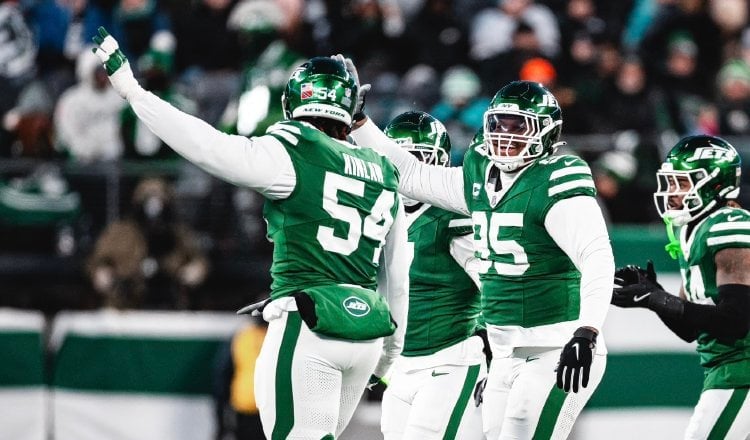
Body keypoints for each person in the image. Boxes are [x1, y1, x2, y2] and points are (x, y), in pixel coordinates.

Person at [91, 27, 409, 439]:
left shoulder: (295, 148)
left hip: (308, 323)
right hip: (365, 332)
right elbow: (397, 276)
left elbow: (209, 146)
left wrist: (136, 94)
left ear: (296, 101)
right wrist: (389, 355)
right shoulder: (383, 168)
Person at [350, 75, 613, 439]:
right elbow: (411, 173)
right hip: (505, 352)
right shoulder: (478, 178)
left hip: (555, 342)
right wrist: (361, 124)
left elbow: (595, 255)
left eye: (519, 126)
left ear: (546, 133)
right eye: (498, 124)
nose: (505, 135)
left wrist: (587, 330)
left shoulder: (556, 179)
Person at [612, 135, 750, 440]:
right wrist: (651, 297)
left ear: (716, 184)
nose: (672, 193)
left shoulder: (730, 225)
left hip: (742, 371)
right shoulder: (695, 228)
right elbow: (691, 331)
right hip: (727, 370)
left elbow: (736, 321)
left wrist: (658, 299)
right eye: (670, 183)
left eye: (682, 184)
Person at [379, 111, 486, 440]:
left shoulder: (452, 213)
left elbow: (496, 285)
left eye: (417, 159)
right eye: (398, 159)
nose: (407, 170)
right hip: (399, 366)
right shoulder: (379, 211)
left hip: (450, 358)